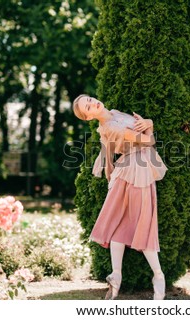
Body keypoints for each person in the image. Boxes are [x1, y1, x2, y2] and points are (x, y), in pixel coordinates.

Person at [72, 94, 168, 300]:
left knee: (122, 223)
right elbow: (148, 141)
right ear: (89, 118)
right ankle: (158, 276)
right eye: (87, 107)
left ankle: (117, 275)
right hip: (135, 171)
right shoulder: (111, 127)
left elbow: (114, 148)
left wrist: (147, 122)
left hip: (130, 170)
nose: (92, 103)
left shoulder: (114, 113)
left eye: (89, 99)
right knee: (142, 222)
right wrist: (149, 125)